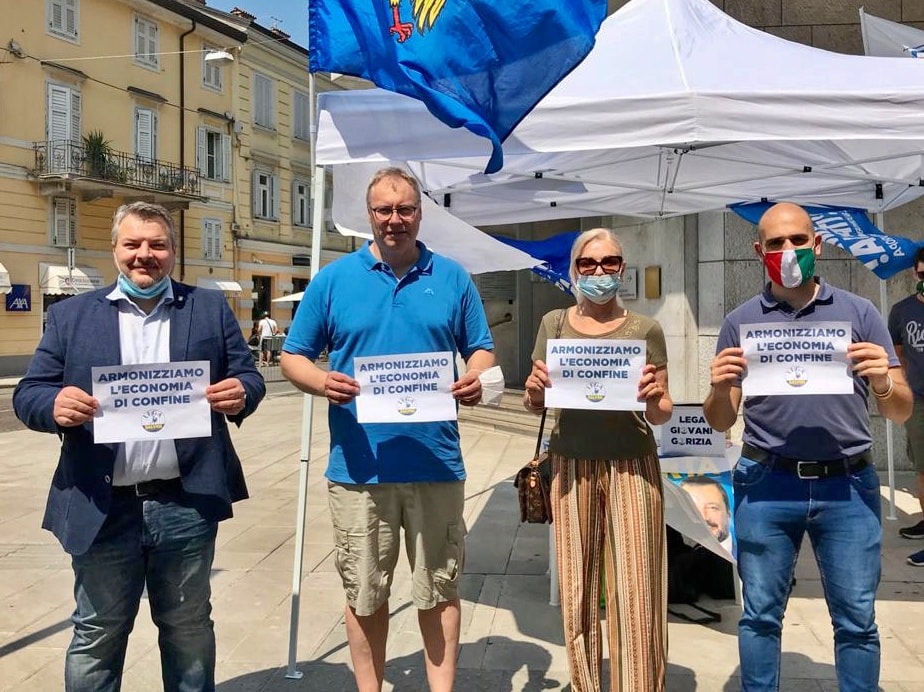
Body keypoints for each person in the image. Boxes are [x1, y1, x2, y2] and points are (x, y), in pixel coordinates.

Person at [13, 201, 266, 692]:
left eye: (157, 244)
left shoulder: (208, 308)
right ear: (115, 249)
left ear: (173, 250)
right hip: (102, 503)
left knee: (188, 629)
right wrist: (53, 404)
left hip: (185, 502)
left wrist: (242, 393)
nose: (144, 254)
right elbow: (29, 392)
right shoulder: (70, 315)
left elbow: (248, 375)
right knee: (97, 633)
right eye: (132, 244)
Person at [280, 167, 494, 692]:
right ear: (369, 215)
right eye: (383, 210)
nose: (394, 219)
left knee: (439, 590)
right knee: (365, 593)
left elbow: (482, 349)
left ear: (420, 214)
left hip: (435, 463)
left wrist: (476, 376)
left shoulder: (453, 278)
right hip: (359, 469)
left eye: (405, 209)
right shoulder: (333, 280)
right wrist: (322, 382)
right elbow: (292, 356)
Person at [703, 202, 911, 691]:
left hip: (848, 486)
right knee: (759, 616)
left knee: (857, 620)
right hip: (766, 483)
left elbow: (900, 410)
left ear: (817, 244)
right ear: (759, 252)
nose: (788, 250)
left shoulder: (859, 313)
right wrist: (718, 386)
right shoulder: (739, 322)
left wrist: (883, 381)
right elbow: (721, 419)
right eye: (776, 243)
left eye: (798, 240)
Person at [523, 227, 673, 692]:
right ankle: (585, 683)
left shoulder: (645, 329)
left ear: (622, 269)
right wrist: (533, 391)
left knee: (638, 588)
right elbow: (535, 401)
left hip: (633, 466)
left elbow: (662, 410)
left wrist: (654, 396)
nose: (599, 272)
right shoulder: (554, 324)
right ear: (575, 271)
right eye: (588, 264)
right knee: (578, 588)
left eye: (609, 263)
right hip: (572, 465)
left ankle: (639, 684)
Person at [887, 246, 924, 566]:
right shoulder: (901, 311)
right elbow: (897, 356)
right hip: (919, 400)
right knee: (923, 468)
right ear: (915, 274)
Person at [680, 474, 732, 553]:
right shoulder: (664, 556)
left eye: (712, 508)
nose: (703, 517)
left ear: (728, 513)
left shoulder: (747, 554)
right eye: (692, 509)